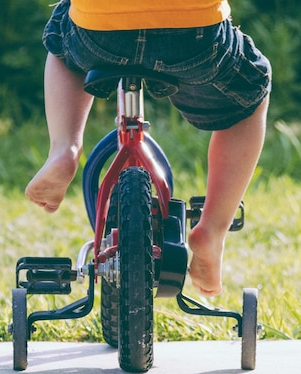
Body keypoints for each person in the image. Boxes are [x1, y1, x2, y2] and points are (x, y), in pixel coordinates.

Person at [25, 0, 271, 297]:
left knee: (60, 42)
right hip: (194, 38)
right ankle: (212, 230)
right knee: (251, 93)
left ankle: (64, 148)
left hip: (99, 32)